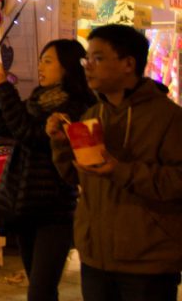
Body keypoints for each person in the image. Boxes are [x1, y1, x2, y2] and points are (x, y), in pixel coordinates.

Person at [46, 25, 182, 301]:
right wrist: (61, 143)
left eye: (98, 58)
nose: (88, 67)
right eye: (87, 60)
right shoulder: (92, 115)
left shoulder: (169, 118)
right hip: (96, 258)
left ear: (128, 64)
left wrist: (120, 170)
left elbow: (177, 183)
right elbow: (74, 176)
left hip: (148, 262)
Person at [0, 39, 94, 301]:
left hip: (54, 210)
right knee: (39, 285)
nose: (40, 66)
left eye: (48, 61)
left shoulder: (75, 107)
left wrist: (4, 89)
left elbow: (30, 134)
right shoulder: (37, 101)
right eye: (40, 60)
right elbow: (0, 126)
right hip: (25, 206)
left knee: (40, 290)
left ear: (67, 67)